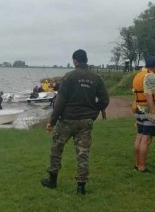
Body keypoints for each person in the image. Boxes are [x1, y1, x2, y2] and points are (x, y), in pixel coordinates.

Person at [41, 49, 109, 195]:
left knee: (56, 149)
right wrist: (94, 110)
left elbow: (60, 102)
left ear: (75, 61)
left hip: (67, 120)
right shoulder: (96, 78)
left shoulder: (69, 77)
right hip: (85, 122)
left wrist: (52, 122)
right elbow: (104, 100)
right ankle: (81, 187)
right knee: (83, 153)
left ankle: (52, 180)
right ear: (86, 60)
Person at [132, 56, 155, 173]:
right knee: (146, 139)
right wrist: (154, 112)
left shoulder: (139, 74)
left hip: (139, 110)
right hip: (147, 110)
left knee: (140, 137)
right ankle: (141, 167)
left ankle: (137, 165)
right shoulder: (150, 76)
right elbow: (149, 95)